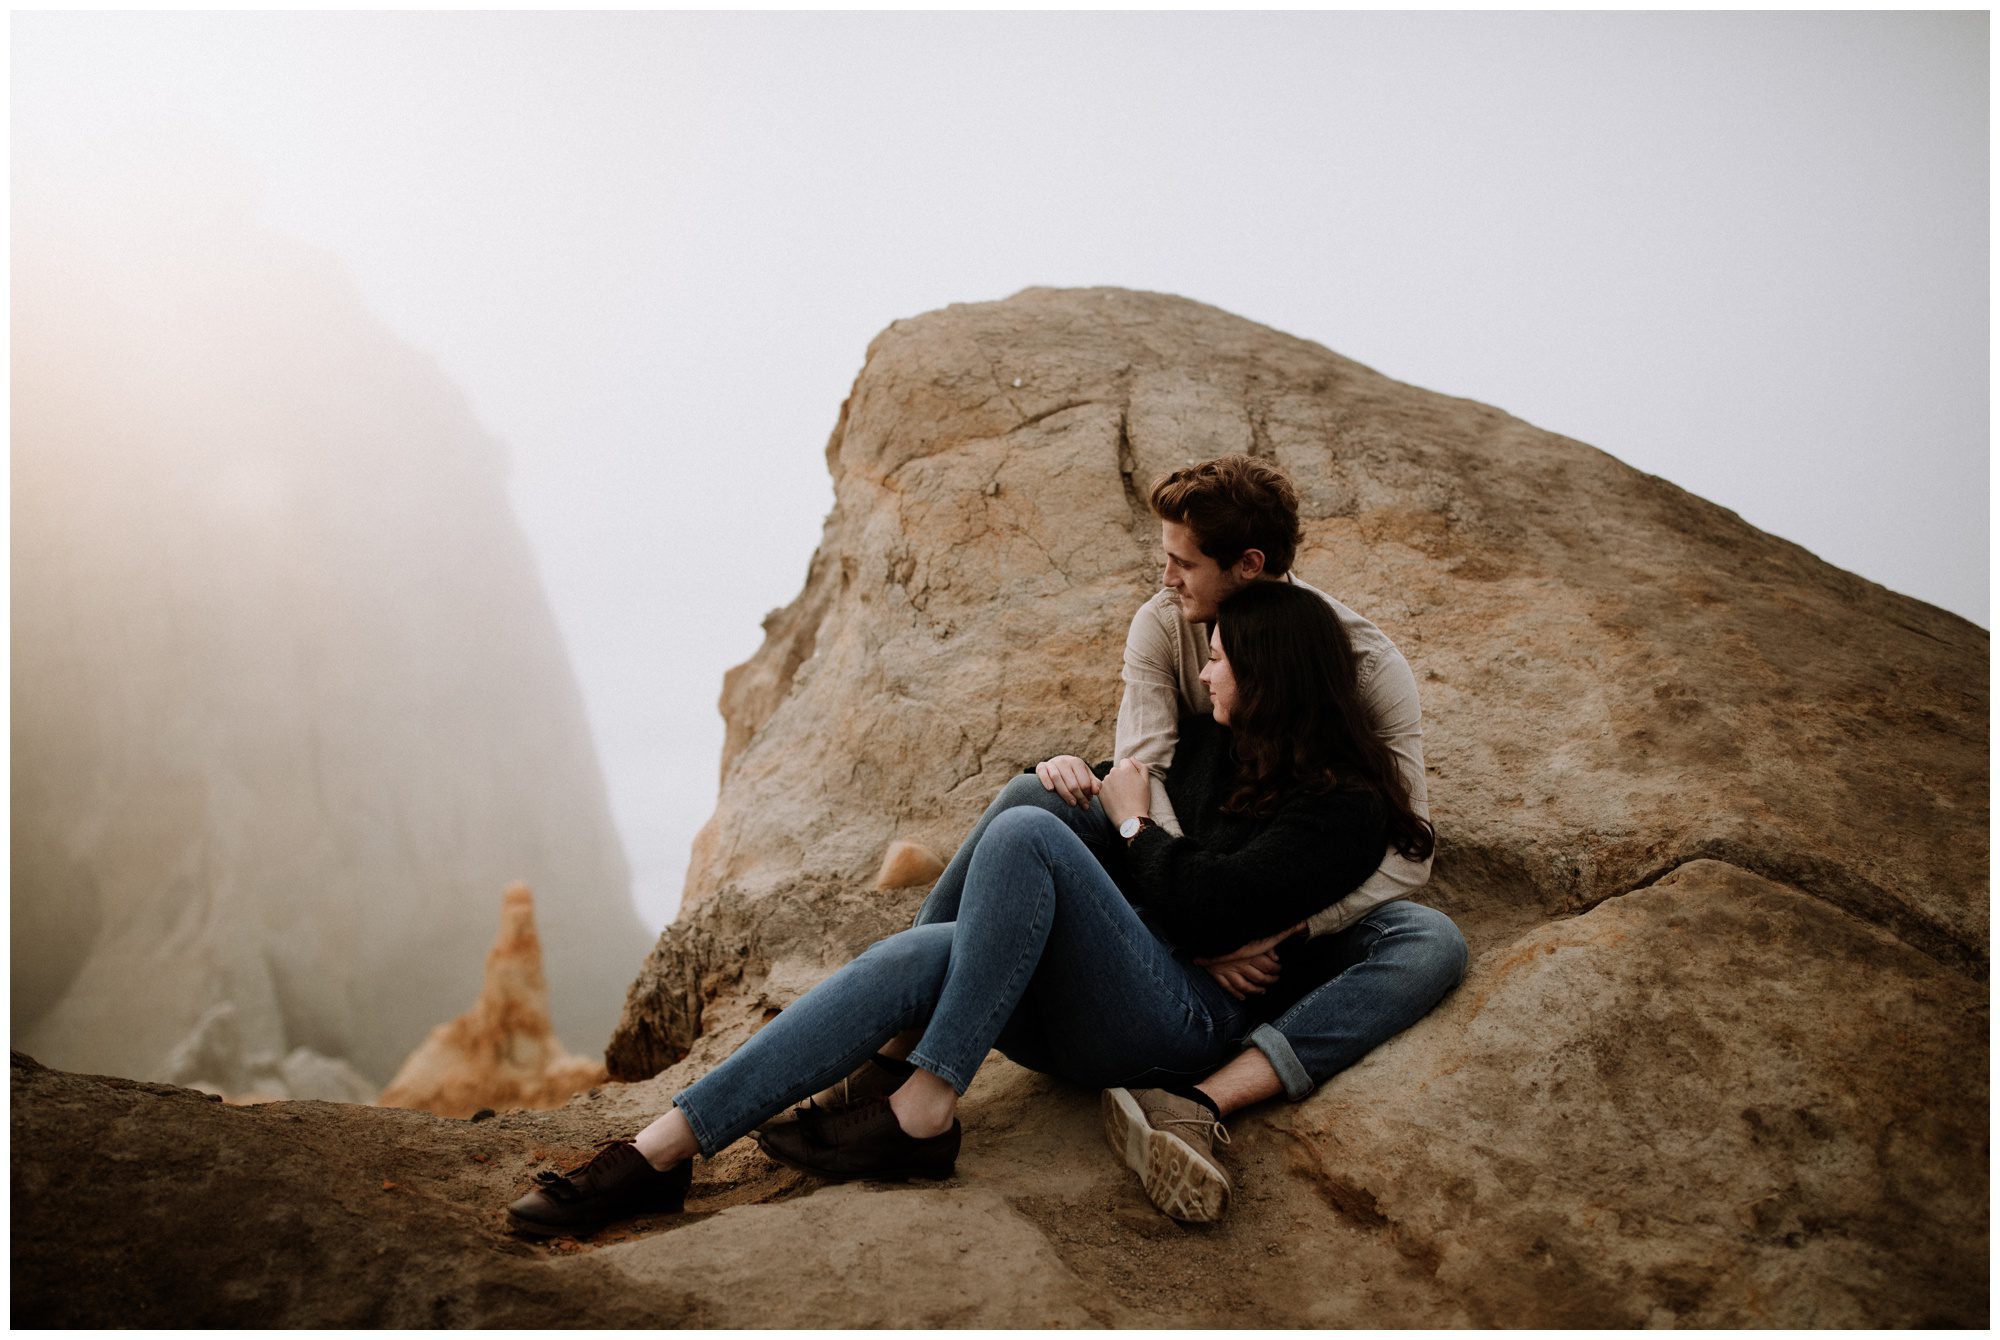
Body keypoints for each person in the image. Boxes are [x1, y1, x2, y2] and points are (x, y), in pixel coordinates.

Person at [504, 579, 1433, 1237]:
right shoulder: (1215, 745)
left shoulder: (1343, 810)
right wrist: (1093, 783)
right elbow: (1171, 871)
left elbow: (1201, 905)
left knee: (1028, 841)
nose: (1206, 675)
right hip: (1130, 977)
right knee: (1021, 816)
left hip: (1183, 1025)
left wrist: (1135, 826)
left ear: (1272, 679)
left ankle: (926, 1103)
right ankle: (658, 1152)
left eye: (1222, 662)